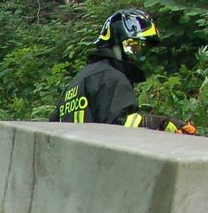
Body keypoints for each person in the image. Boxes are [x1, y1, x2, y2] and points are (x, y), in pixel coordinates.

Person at [52, 8, 190, 132]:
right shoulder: (111, 78)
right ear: (117, 44)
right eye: (135, 47)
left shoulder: (78, 81)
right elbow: (121, 130)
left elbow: (52, 127)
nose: (140, 57)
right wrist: (161, 124)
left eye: (144, 50)